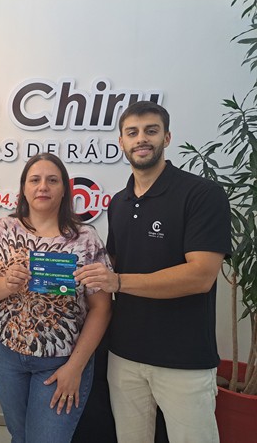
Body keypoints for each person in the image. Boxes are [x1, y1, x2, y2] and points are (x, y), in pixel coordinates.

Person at [74, 101, 232, 443]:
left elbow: (200, 276)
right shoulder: (119, 202)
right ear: (121, 141)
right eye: (132, 133)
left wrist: (117, 281)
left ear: (167, 137)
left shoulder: (202, 194)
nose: (141, 139)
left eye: (151, 131)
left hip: (184, 359)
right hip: (124, 356)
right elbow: (113, 263)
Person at [0, 152, 112, 443]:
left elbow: (101, 309)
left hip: (61, 361)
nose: (43, 187)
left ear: (64, 189)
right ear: (24, 188)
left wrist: (75, 367)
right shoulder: (2, 229)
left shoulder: (85, 239)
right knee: (19, 436)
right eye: (34, 180)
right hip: (7, 355)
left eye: (52, 180)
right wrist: (7, 285)